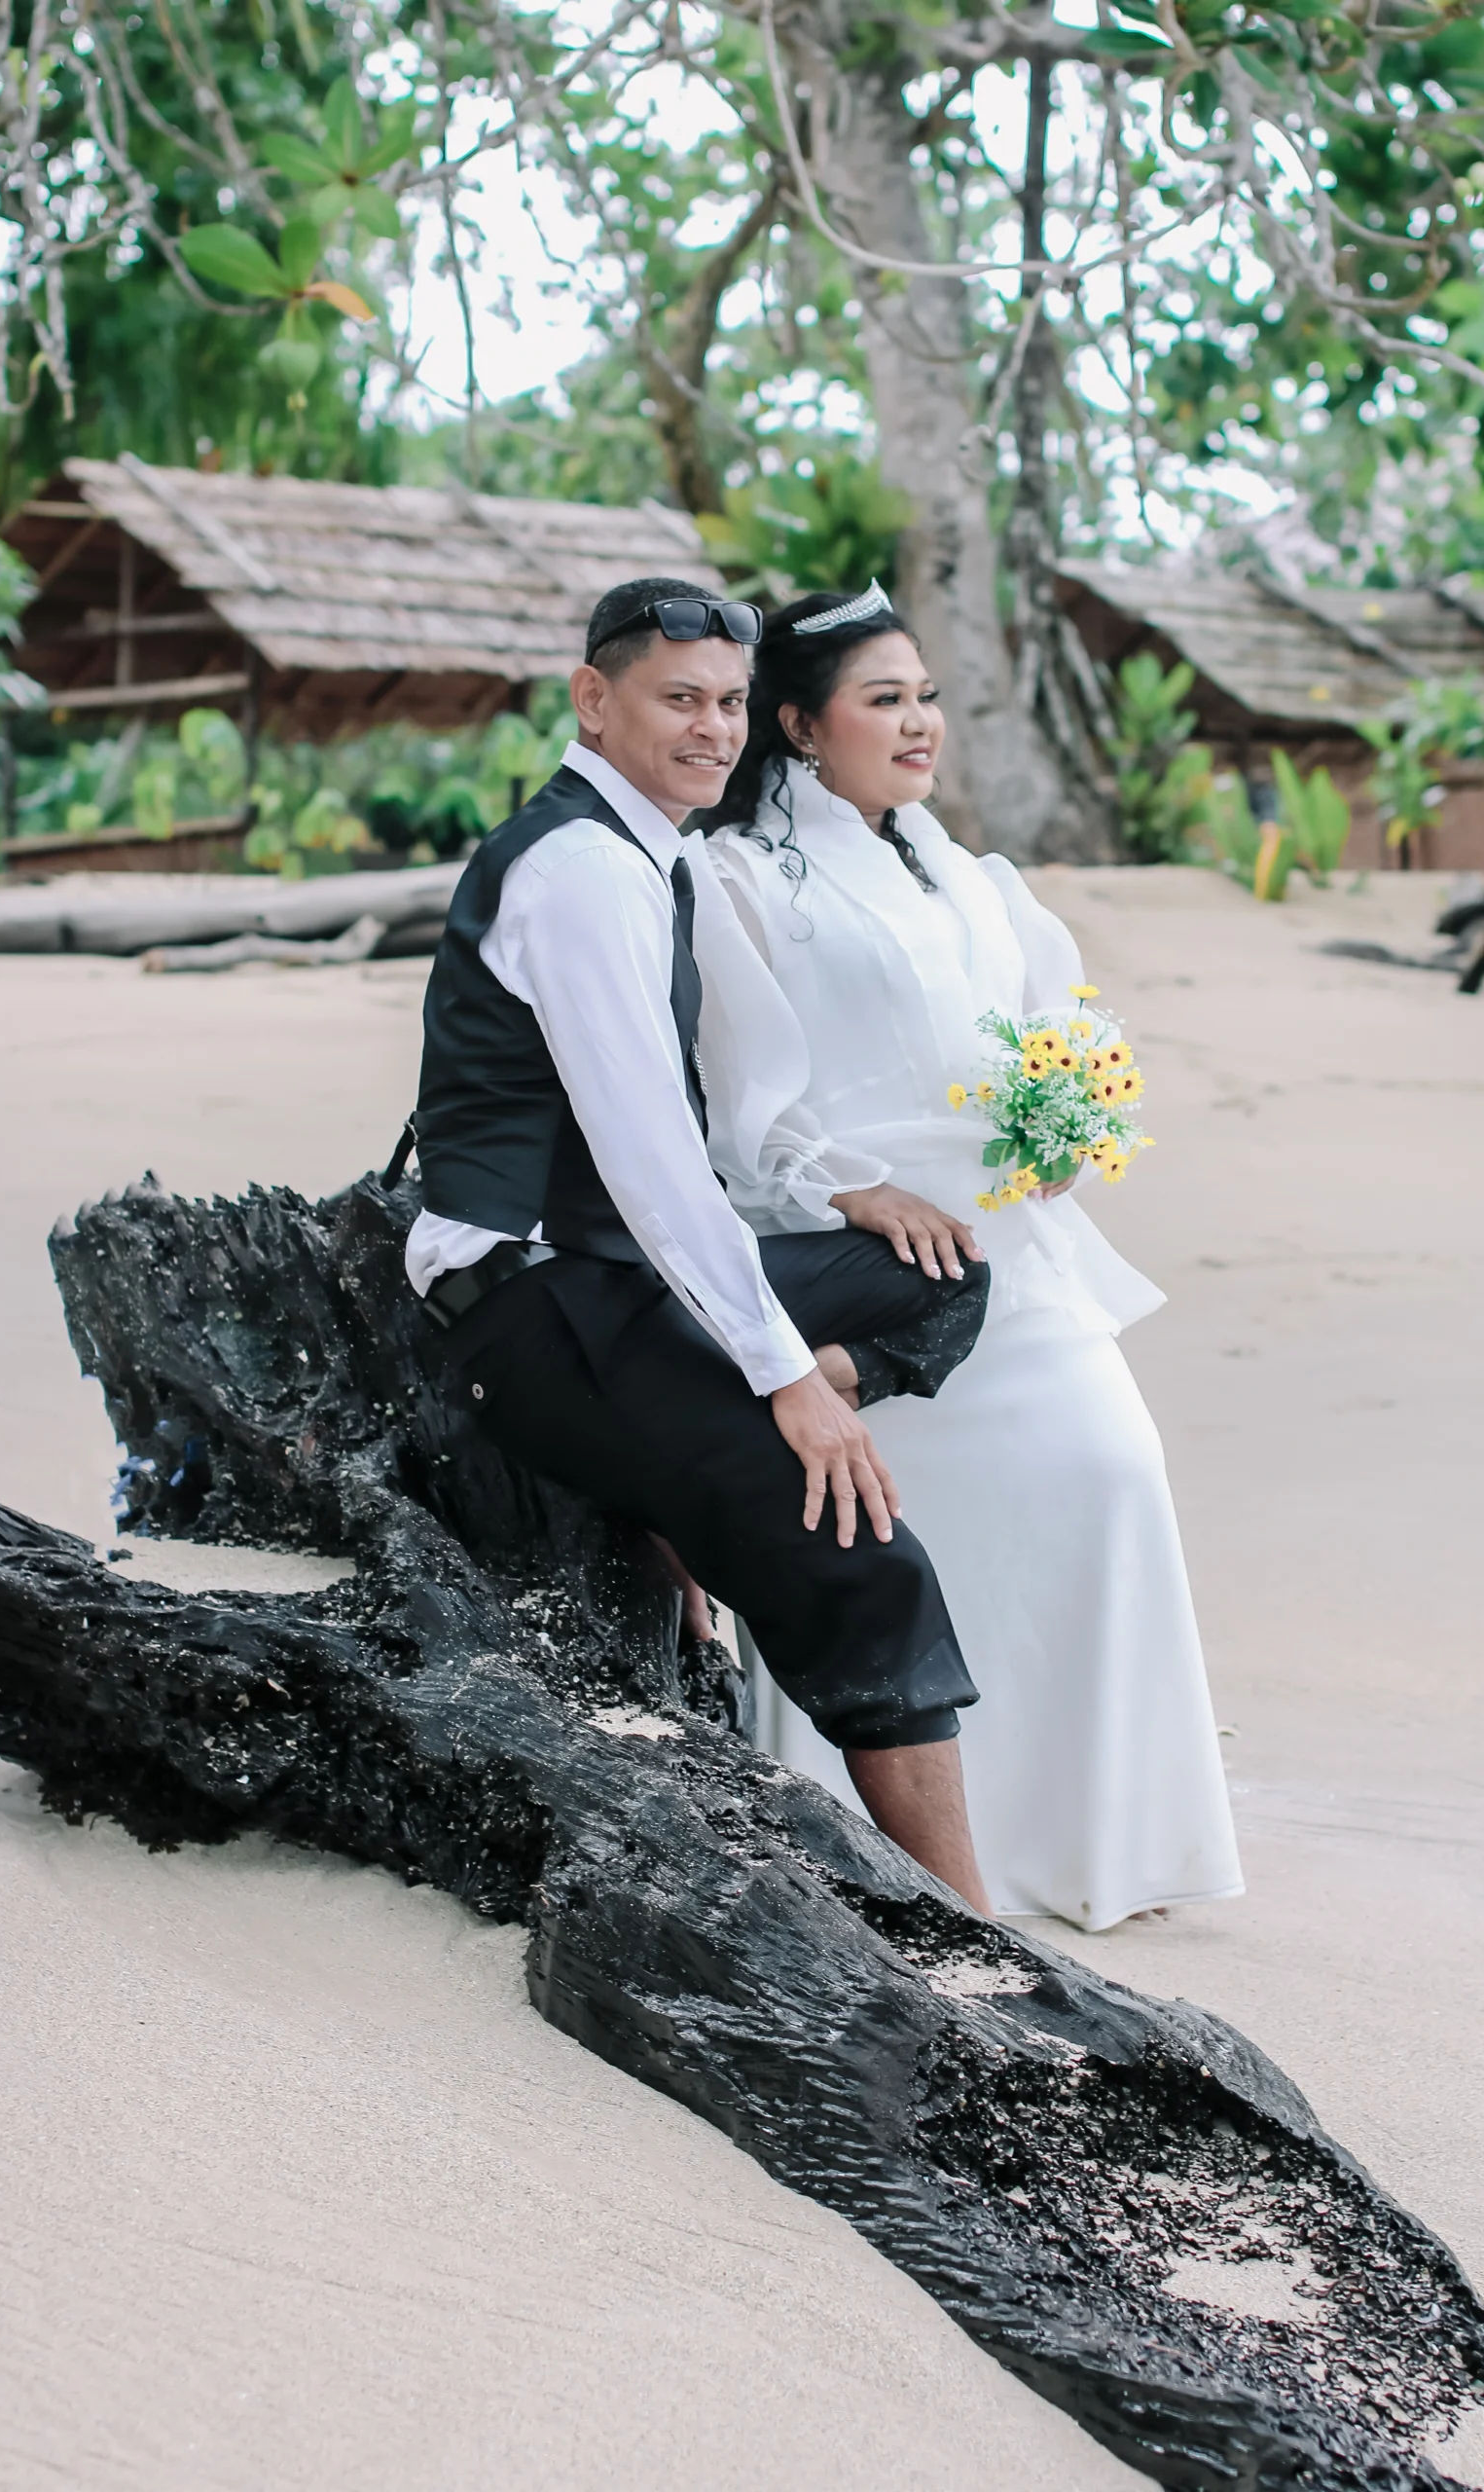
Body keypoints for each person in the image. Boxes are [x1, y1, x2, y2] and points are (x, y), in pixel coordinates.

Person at [397, 576, 995, 1911]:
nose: (714, 730)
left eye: (730, 702)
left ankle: (698, 1446)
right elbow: (651, 1163)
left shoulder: (645, 850)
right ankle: (976, 1943)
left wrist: (837, 1205)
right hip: (537, 1309)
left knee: (936, 1271)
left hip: (614, 1284)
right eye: (679, 699)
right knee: (864, 1561)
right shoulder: (583, 871)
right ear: (592, 700)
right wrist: (784, 1380)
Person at [695, 583, 1244, 1932]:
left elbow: (1063, 1021)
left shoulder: (973, 877)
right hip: (857, 1260)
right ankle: (903, 1851)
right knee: (884, 1539)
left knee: (1111, 1473)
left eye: (927, 697)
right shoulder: (739, 880)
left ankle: (1097, 1845)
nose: (920, 723)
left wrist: (1073, 1123)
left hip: (1015, 1248)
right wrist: (846, 1188)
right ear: (799, 726)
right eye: (884, 700)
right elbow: (736, 1101)